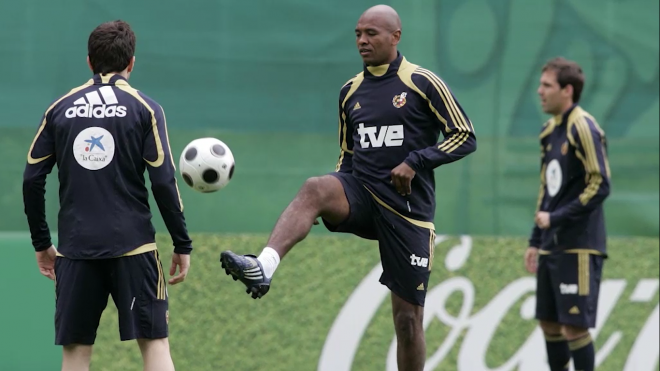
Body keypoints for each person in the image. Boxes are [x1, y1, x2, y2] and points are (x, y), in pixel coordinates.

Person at [219, 5, 476, 370]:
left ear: (395, 36)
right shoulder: (349, 91)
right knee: (316, 188)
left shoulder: (422, 82)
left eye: (371, 33)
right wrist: (337, 191)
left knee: (407, 322)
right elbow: (348, 156)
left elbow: (464, 136)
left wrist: (416, 161)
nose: (362, 40)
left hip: (408, 214)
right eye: (358, 33)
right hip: (365, 196)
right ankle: (264, 265)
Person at [22, 20, 192, 371]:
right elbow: (163, 182)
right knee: (155, 345)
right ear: (131, 62)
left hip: (75, 250)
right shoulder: (146, 108)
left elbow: (31, 179)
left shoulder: (59, 109)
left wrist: (42, 243)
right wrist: (182, 242)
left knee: (75, 351)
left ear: (88, 61)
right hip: (134, 248)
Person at [524, 57, 611, 371]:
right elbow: (547, 189)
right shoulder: (548, 131)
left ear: (567, 90)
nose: (539, 91)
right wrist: (536, 239)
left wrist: (557, 218)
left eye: (546, 85)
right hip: (551, 243)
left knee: (574, 327)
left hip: (579, 246)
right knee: (549, 323)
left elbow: (600, 183)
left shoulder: (584, 126)